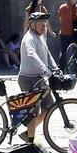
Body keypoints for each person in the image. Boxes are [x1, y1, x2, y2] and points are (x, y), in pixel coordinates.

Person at [18, 12, 59, 143]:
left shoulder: (41, 37)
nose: (44, 26)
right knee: (33, 112)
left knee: (49, 106)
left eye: (45, 23)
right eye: (40, 23)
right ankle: (30, 141)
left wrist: (55, 67)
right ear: (32, 25)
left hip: (39, 78)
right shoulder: (29, 38)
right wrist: (44, 69)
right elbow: (31, 54)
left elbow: (47, 53)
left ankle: (28, 132)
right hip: (28, 79)